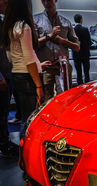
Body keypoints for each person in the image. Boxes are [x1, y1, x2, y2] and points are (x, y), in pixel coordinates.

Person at [0, 0, 51, 142]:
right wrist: (39, 86)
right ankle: (29, 154)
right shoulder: (24, 27)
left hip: (17, 75)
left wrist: (38, 64)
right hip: (29, 78)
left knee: (25, 118)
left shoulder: (10, 28)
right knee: (32, 120)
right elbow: (28, 59)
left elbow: (11, 57)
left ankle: (24, 153)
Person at [34, 0, 80, 101]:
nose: (46, 3)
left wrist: (62, 41)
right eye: (43, 0)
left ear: (55, 0)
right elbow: (32, 45)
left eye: (49, 0)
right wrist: (49, 36)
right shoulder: (35, 20)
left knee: (66, 98)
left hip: (64, 67)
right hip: (46, 67)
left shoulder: (65, 22)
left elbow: (77, 47)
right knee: (46, 100)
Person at [0, 0, 19, 157]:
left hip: (7, 73)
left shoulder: (3, 21)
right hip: (2, 76)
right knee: (1, 112)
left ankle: (4, 142)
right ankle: (4, 144)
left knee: (4, 111)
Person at [73, 14, 91, 85]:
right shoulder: (85, 29)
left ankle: (79, 86)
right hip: (85, 54)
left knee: (79, 73)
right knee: (86, 73)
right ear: (81, 20)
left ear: (75, 20)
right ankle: (87, 86)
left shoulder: (73, 30)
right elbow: (89, 42)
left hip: (76, 54)